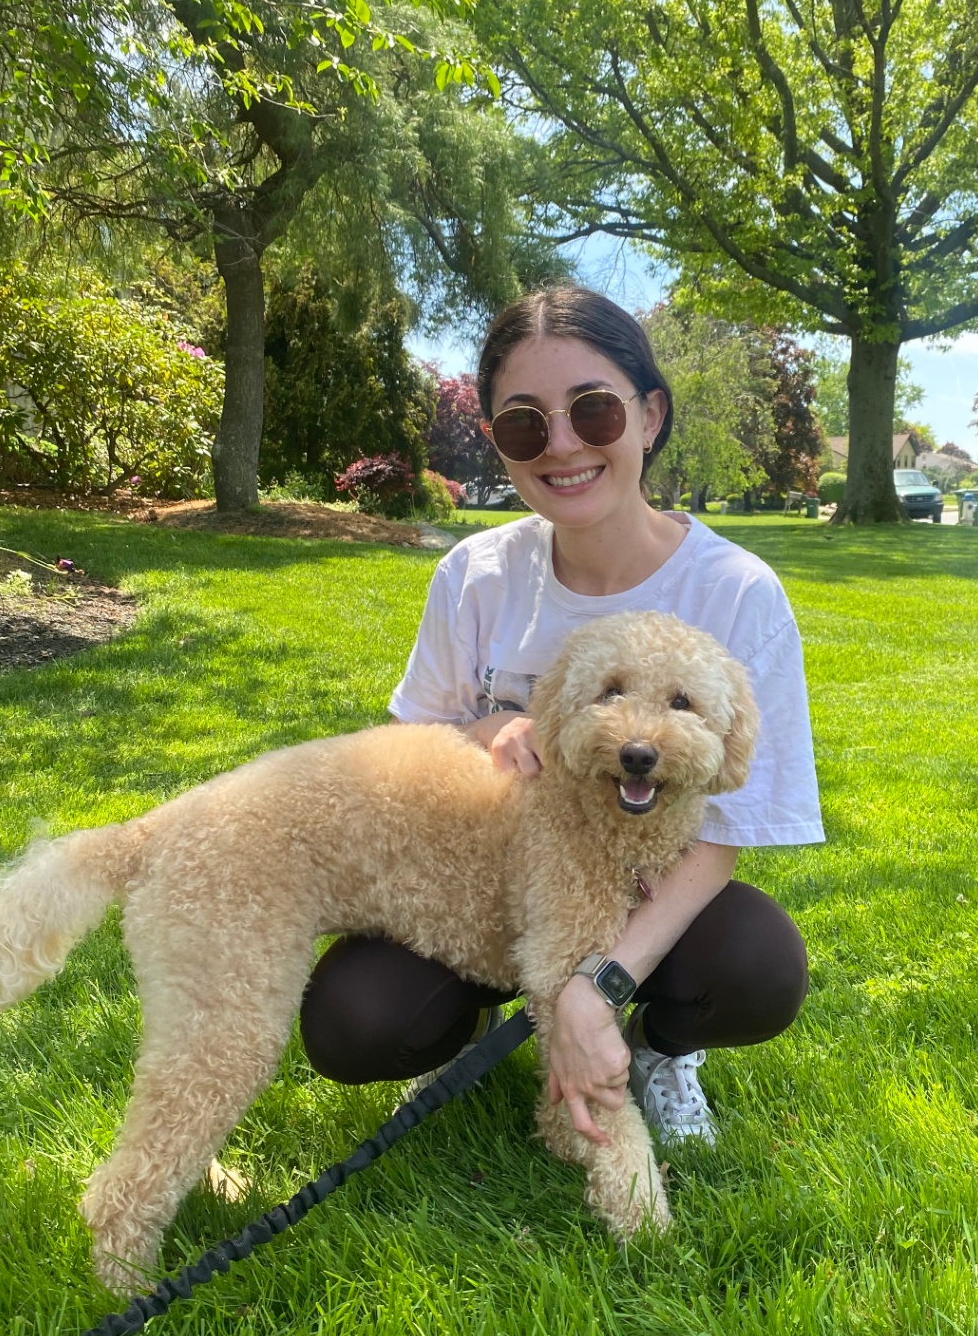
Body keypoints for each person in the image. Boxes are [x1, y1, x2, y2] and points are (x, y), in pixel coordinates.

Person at [299, 285, 824, 1147]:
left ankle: (656, 1049)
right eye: (524, 423)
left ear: (650, 415)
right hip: (482, 888)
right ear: (499, 441)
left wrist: (605, 982)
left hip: (633, 888)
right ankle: (462, 1030)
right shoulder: (476, 573)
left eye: (593, 410)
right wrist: (483, 733)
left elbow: (727, 823)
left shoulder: (733, 592)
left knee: (757, 967)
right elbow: (402, 751)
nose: (564, 445)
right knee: (350, 1020)